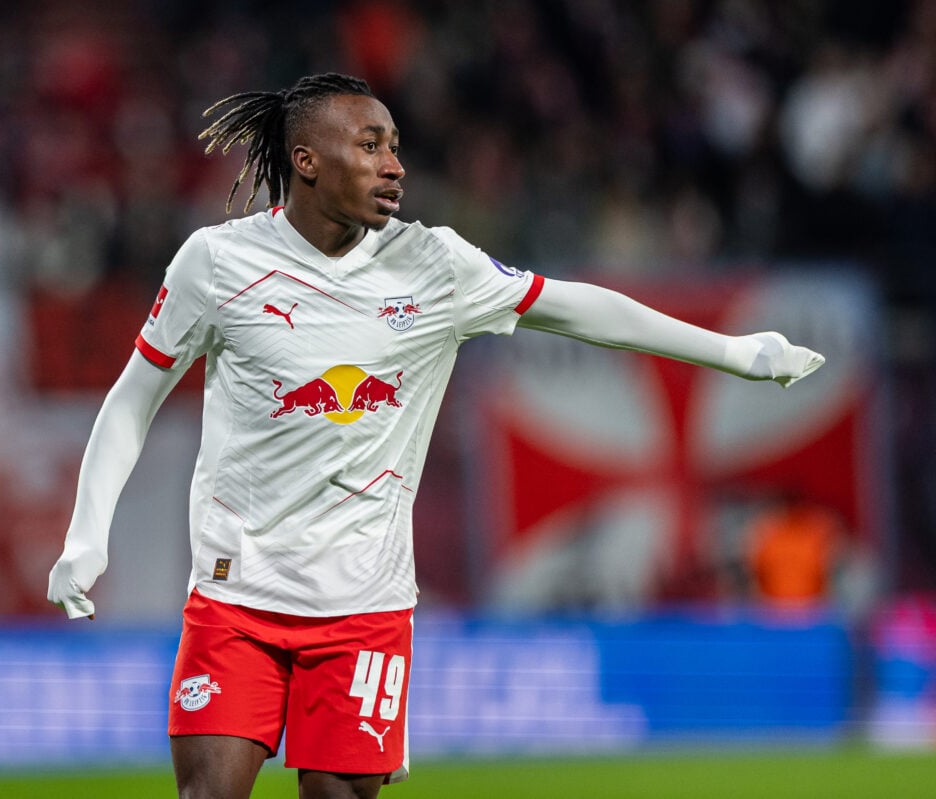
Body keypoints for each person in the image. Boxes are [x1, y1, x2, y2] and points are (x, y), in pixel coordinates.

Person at [47, 73, 825, 798]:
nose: (395, 165)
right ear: (307, 160)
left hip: (364, 607)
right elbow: (131, 400)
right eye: (371, 144)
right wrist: (88, 532)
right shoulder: (217, 262)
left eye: (394, 144)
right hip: (233, 596)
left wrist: (731, 353)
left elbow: (581, 308)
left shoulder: (434, 264)